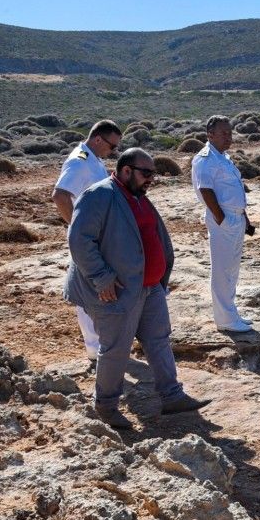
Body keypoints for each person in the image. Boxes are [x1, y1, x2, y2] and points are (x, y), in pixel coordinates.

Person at [64, 148, 210, 430]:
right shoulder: (99, 195)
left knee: (158, 339)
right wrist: (101, 277)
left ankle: (172, 395)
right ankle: (105, 406)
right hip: (115, 289)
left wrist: (159, 276)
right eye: (146, 173)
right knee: (116, 349)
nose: (151, 179)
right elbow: (79, 240)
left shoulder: (139, 197)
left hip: (149, 286)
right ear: (126, 170)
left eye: (153, 174)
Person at [52, 120, 121, 362]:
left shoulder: (93, 159)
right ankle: (94, 348)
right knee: (86, 289)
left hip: (96, 235)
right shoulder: (79, 160)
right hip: (86, 237)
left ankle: (100, 343)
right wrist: (77, 229)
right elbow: (60, 195)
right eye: (112, 146)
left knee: (96, 287)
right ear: (98, 139)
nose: (113, 152)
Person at [190, 115, 255, 332]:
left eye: (230, 132)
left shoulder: (223, 158)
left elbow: (233, 190)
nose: (229, 137)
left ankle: (230, 313)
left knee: (232, 269)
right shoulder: (205, 158)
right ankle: (225, 320)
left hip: (234, 218)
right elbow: (205, 190)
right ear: (210, 134)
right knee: (222, 270)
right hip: (224, 219)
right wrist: (221, 218)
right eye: (224, 133)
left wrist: (244, 218)